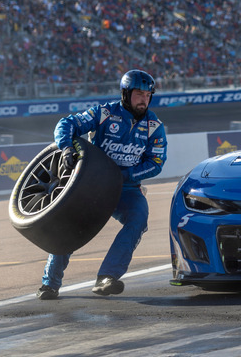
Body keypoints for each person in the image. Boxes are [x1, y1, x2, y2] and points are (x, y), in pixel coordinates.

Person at [36, 69, 167, 300]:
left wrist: (124, 176)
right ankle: (50, 284)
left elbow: (156, 163)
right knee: (68, 226)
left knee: (139, 217)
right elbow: (66, 124)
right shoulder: (104, 113)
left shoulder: (155, 126)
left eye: (148, 95)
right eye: (139, 94)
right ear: (125, 94)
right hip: (91, 185)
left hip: (126, 188)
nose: (144, 99)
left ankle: (107, 277)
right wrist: (66, 147)